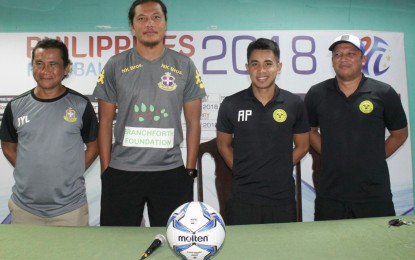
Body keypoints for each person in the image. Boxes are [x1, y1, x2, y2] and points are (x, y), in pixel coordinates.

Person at [93, 0, 206, 227]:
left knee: (172, 243)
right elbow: (104, 122)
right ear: (132, 27)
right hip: (122, 173)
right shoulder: (115, 65)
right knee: (117, 244)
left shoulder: (184, 64)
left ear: (165, 24)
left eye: (156, 17)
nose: (149, 24)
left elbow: (194, 122)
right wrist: (107, 171)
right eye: (141, 18)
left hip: (170, 173)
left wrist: (190, 170)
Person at [304, 34, 408, 221]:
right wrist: (329, 153)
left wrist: (374, 157)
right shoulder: (316, 93)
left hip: (374, 193)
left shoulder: (384, 92)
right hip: (330, 193)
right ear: (333, 60)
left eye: (351, 53)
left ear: (363, 59)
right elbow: (310, 131)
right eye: (338, 54)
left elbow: (399, 134)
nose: (343, 59)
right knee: (330, 248)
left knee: (378, 246)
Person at [0, 38, 98, 226]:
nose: (45, 70)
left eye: (53, 64)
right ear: (32, 66)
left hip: (70, 209)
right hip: (24, 209)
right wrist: (28, 170)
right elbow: (8, 147)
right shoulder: (15, 106)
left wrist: (72, 173)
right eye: (39, 63)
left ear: (66, 68)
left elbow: (94, 147)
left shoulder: (80, 105)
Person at [216, 38, 310, 225]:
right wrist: (241, 169)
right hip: (243, 197)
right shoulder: (231, 103)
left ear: (279, 66)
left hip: (282, 198)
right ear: (247, 67)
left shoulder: (294, 104)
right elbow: (222, 144)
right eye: (255, 64)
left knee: (282, 251)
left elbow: (303, 145)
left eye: (268, 64)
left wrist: (280, 167)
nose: (261, 71)